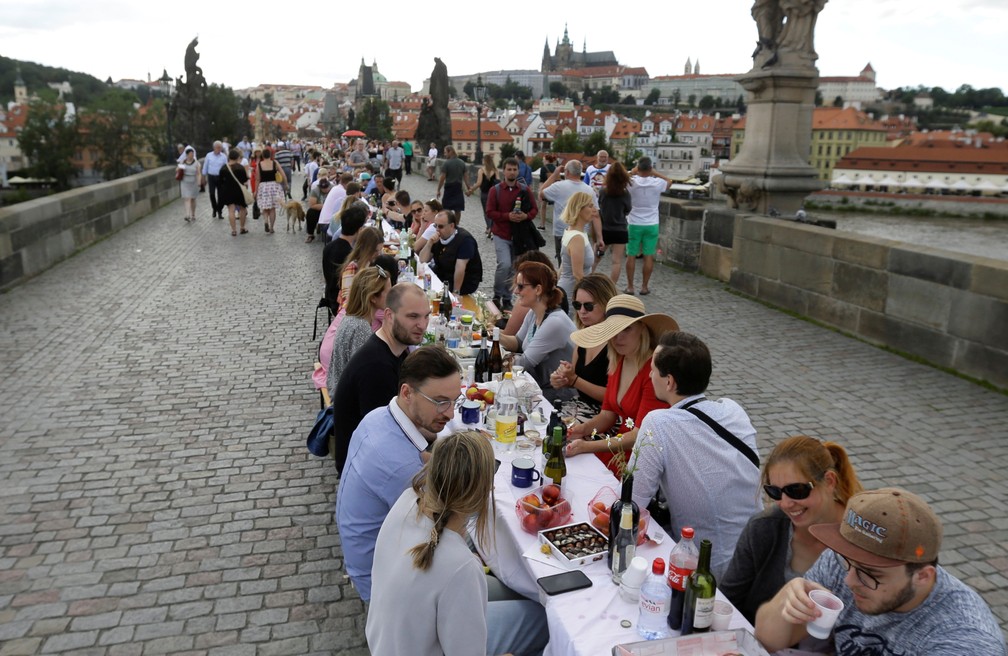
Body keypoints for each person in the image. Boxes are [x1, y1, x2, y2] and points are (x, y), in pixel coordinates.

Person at [755, 488, 1007, 655]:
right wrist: (788, 597)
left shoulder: (965, 641)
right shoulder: (844, 562)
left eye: (871, 574)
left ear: (923, 576)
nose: (849, 580)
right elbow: (769, 640)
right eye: (847, 562)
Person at [366, 431, 550, 656]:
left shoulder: (407, 500)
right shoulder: (460, 567)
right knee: (543, 620)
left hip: (389, 641)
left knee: (512, 592)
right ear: (483, 492)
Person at [629, 331, 762, 579]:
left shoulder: (658, 423)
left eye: (653, 370)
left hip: (708, 570)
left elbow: (631, 501)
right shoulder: (733, 409)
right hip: (757, 553)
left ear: (669, 382)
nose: (649, 375)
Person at [337, 346, 461, 602]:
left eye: (455, 401)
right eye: (440, 402)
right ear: (407, 393)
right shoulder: (402, 469)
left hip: (368, 556)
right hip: (385, 583)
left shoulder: (378, 416)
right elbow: (448, 533)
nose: (450, 414)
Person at [721, 436, 863, 624]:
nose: (786, 503)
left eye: (797, 490)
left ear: (829, 481)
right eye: (775, 492)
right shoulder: (764, 528)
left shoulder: (863, 541)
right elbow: (726, 602)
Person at [565, 295, 677, 474]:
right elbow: (607, 415)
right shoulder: (618, 360)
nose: (618, 338)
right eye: (613, 331)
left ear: (642, 328)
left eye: (626, 329)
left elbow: (639, 436)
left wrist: (588, 446)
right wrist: (582, 430)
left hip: (640, 455)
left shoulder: (652, 372)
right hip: (617, 444)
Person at [331, 284, 431, 474]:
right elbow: (390, 439)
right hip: (363, 468)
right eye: (413, 316)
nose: (423, 325)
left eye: (426, 316)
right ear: (389, 315)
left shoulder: (395, 349)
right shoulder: (376, 367)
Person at [314, 259, 396, 395]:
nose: (392, 296)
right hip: (345, 396)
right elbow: (363, 374)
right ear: (373, 298)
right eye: (388, 292)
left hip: (339, 386)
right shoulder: (361, 327)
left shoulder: (354, 317)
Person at [497, 262, 576, 404]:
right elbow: (518, 342)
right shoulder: (534, 313)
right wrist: (497, 335)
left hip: (561, 395)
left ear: (538, 289)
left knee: (503, 398)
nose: (515, 291)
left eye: (520, 286)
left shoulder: (554, 322)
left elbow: (524, 363)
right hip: (541, 384)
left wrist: (494, 359)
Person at [550, 274, 617, 415]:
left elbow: (614, 397)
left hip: (605, 416)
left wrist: (574, 380)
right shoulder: (582, 335)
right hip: (580, 407)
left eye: (588, 306)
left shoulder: (617, 341)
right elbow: (574, 379)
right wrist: (562, 378)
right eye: (577, 305)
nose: (582, 311)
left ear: (606, 304)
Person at [486, 158, 538, 310]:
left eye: (515, 169)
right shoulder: (495, 190)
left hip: (519, 237)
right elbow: (489, 212)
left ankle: (507, 298)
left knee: (515, 268)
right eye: (509, 169)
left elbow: (534, 210)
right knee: (505, 264)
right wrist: (507, 216)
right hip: (501, 233)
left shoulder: (524, 189)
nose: (512, 172)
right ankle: (497, 295)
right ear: (504, 171)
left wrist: (525, 216)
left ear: (518, 171)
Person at [540, 160, 602, 264]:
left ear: (567, 172)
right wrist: (600, 238)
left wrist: (554, 175)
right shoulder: (589, 190)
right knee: (579, 264)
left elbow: (541, 194)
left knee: (564, 266)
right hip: (581, 233)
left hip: (561, 232)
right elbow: (596, 216)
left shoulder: (558, 186)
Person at [625, 157, 671, 295]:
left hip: (634, 223)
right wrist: (655, 173)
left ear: (638, 168)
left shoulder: (631, 182)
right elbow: (670, 181)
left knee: (631, 255)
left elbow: (617, 179)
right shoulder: (657, 183)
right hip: (651, 223)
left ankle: (630, 287)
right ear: (650, 168)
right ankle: (644, 287)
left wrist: (632, 172)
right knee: (648, 255)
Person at [420, 210, 482, 295]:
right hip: (443, 275)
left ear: (452, 225)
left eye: (441, 226)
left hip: (464, 281)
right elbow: (423, 260)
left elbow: (460, 268)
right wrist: (429, 243)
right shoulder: (437, 237)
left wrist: (456, 291)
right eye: (435, 225)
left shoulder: (465, 240)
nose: (437, 229)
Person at [322, 203, 368, 310]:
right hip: (341, 302)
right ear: (360, 229)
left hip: (331, 296)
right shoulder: (350, 255)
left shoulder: (328, 247)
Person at [557, 191, 599, 301]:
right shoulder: (577, 238)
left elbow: (563, 266)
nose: (594, 209)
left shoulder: (572, 232)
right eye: (590, 206)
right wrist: (591, 295)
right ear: (579, 209)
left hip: (570, 289)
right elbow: (578, 274)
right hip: (573, 293)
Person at [597, 160, 632, 284]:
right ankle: (612, 286)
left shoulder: (603, 191)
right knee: (616, 261)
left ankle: (587, 278)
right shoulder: (625, 193)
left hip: (605, 229)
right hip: (620, 230)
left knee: (596, 257)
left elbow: (599, 207)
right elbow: (628, 209)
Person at [337, 227, 383, 311]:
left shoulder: (370, 263)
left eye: (380, 250)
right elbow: (347, 302)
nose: (378, 254)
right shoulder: (352, 268)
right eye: (375, 251)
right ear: (366, 249)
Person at [217, 148, 250, 237]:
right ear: (237, 157)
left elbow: (220, 182)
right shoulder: (240, 167)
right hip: (239, 191)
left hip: (228, 191)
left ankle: (233, 230)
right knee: (242, 209)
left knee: (231, 210)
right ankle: (242, 227)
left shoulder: (224, 168)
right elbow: (244, 180)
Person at [255, 148, 286, 234]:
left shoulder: (259, 165)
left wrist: (255, 191)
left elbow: (257, 179)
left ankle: (265, 221)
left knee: (265, 207)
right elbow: (283, 174)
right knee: (272, 208)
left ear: (263, 155)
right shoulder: (275, 163)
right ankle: (271, 227)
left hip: (263, 187)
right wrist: (286, 184)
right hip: (274, 187)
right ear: (270, 155)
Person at [467, 154, 498, 237]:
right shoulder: (495, 170)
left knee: (486, 211)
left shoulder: (481, 170)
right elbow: (498, 182)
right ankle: (492, 227)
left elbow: (479, 183)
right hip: (493, 194)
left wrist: (471, 190)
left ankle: (488, 227)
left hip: (484, 194)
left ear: (484, 161)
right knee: (493, 211)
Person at [436, 145, 469, 222]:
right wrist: (468, 187)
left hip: (449, 187)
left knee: (446, 208)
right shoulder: (462, 162)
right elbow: (466, 176)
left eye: (445, 152)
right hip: (458, 187)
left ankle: (447, 224)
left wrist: (438, 189)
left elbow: (442, 177)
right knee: (458, 209)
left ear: (450, 152)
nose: (444, 154)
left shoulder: (446, 163)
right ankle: (456, 225)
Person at [201, 140, 228, 219]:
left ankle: (220, 211)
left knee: (221, 195)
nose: (219, 149)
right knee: (212, 194)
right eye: (218, 147)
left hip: (220, 177)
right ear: (214, 148)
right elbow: (205, 166)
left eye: (220, 148)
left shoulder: (223, 156)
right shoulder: (209, 155)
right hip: (211, 176)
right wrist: (203, 177)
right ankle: (214, 208)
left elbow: (226, 167)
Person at [177, 146, 202, 223]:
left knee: (193, 199)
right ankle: (187, 215)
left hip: (193, 181)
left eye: (192, 154)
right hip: (185, 181)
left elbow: (198, 173)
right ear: (187, 155)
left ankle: (193, 214)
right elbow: (177, 170)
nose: (192, 155)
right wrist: (180, 168)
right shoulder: (183, 162)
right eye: (190, 154)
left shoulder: (196, 163)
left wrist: (199, 182)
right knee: (187, 198)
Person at [305, 170, 330, 243]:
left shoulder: (333, 188)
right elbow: (312, 205)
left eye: (326, 188)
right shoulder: (315, 191)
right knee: (310, 213)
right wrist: (325, 206)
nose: (325, 190)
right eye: (323, 188)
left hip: (330, 210)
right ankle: (310, 234)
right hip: (319, 209)